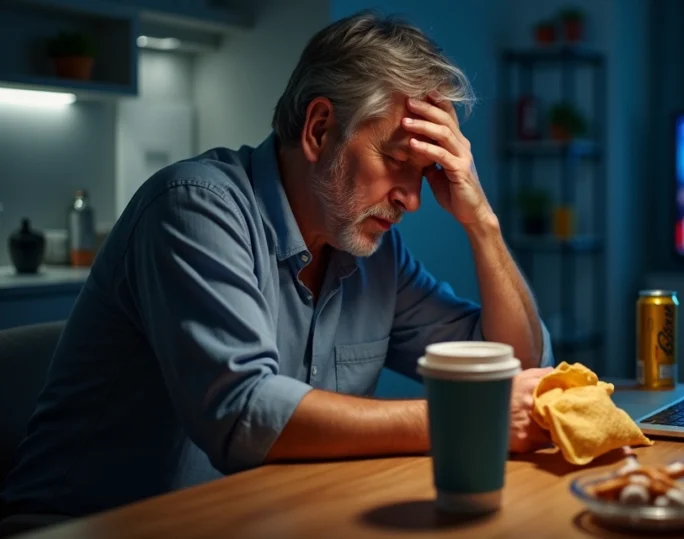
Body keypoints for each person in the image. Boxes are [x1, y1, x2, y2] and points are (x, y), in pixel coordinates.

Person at [0, 12, 555, 520]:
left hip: (252, 520)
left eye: (427, 171)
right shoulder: (194, 207)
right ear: (318, 130)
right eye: (396, 161)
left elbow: (517, 364)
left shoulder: (374, 255)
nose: (412, 198)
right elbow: (242, 412)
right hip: (87, 529)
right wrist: (462, 422)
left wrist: (481, 221)